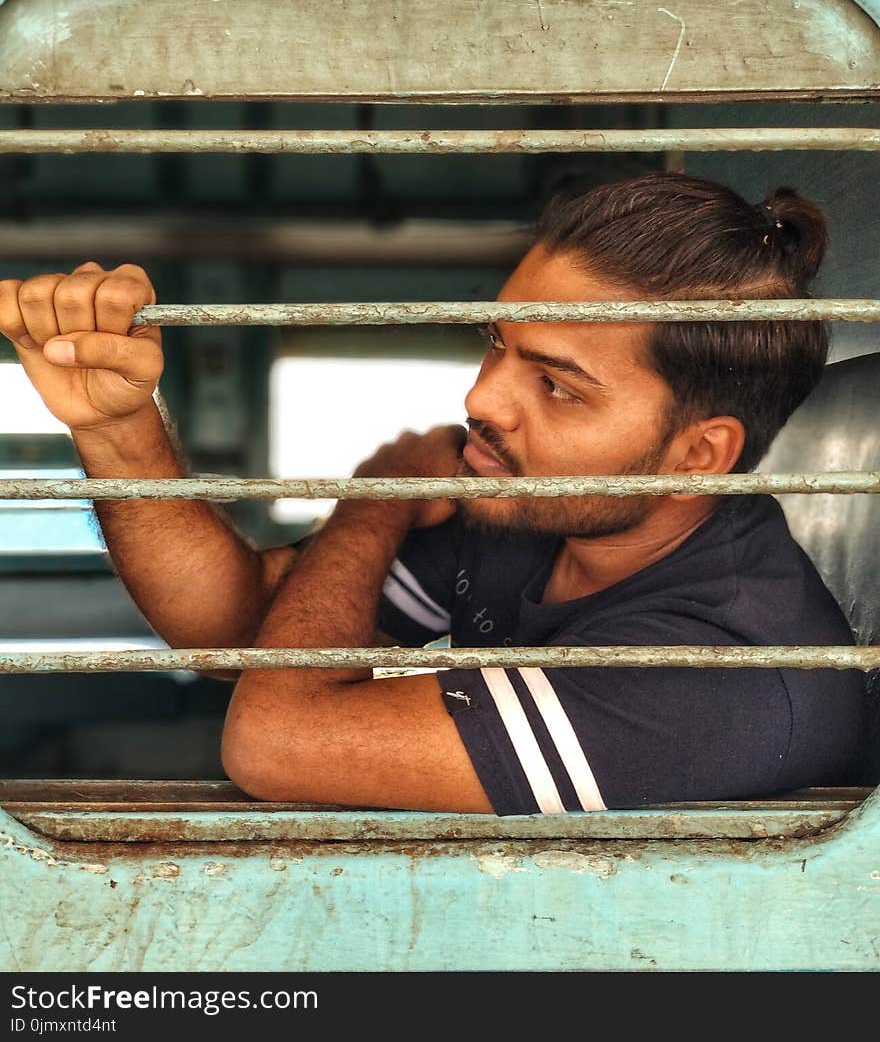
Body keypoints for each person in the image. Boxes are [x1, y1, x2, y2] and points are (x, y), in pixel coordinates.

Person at [0, 172, 866, 815]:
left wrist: (376, 503)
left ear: (695, 454)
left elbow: (273, 741)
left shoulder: (724, 674)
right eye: (498, 343)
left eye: (556, 384)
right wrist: (118, 429)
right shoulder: (537, 510)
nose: (483, 399)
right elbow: (240, 628)